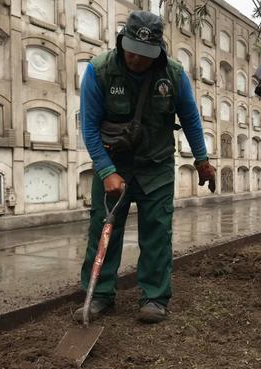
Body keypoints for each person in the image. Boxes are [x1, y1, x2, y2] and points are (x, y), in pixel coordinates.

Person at [76, 11, 216, 324]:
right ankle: (99, 295)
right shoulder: (99, 72)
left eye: (146, 54)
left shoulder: (173, 75)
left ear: (158, 50)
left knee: (156, 232)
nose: (137, 59)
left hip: (157, 166)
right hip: (114, 163)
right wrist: (105, 170)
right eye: (132, 51)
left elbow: (192, 119)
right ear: (121, 42)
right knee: (104, 229)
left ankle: (154, 297)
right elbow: (88, 126)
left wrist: (202, 160)